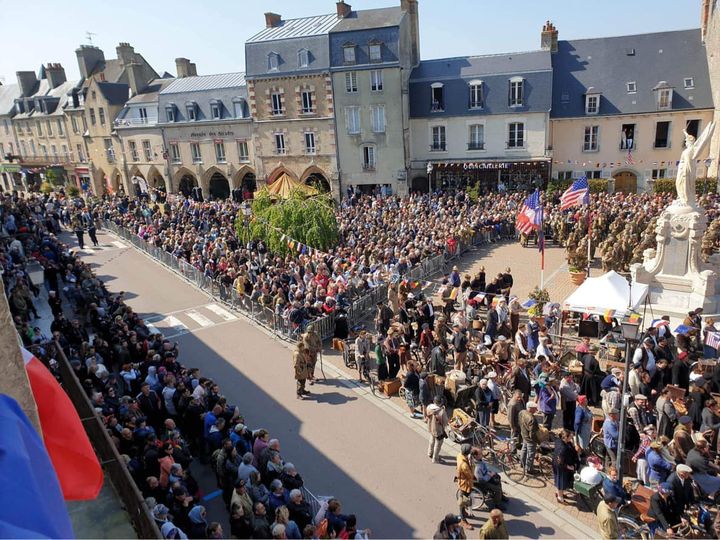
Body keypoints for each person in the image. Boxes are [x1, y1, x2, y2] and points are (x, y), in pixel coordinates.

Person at [552, 429, 578, 504]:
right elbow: (560, 461)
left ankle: (558, 493)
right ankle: (560, 498)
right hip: (560, 467)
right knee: (561, 482)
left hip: (555, 464)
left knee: (557, 479)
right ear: (565, 437)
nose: (571, 437)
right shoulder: (563, 449)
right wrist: (569, 467)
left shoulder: (559, 441)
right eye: (570, 436)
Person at [455, 444, 475, 530]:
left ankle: (463, 513)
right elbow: (470, 475)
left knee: (462, 501)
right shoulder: (464, 465)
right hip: (465, 485)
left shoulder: (460, 455)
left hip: (461, 482)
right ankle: (463, 520)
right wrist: (473, 465)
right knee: (463, 502)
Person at [519, 402, 540, 475]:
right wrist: (537, 441)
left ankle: (522, 463)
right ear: (530, 409)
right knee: (531, 454)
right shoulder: (532, 419)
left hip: (524, 435)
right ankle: (529, 469)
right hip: (530, 439)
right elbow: (532, 434)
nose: (536, 410)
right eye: (535, 408)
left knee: (524, 449)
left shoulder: (522, 412)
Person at [426, 396, 449, 463]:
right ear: (440, 403)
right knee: (438, 445)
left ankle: (430, 453)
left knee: (431, 441)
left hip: (430, 428)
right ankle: (435, 459)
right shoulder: (442, 411)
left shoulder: (429, 407)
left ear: (434, 401)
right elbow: (445, 422)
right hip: (438, 431)